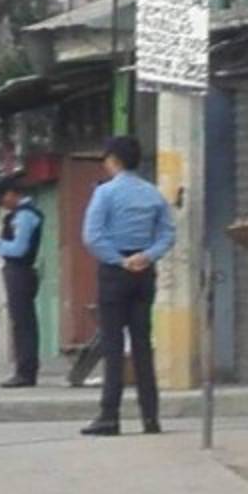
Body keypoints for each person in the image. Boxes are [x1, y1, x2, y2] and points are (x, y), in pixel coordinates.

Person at [79, 136, 176, 436]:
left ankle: (109, 416)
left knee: (113, 345)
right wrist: (147, 256)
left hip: (115, 272)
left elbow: (92, 236)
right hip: (144, 272)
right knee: (142, 344)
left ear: (114, 160)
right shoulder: (153, 194)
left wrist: (120, 261)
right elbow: (168, 234)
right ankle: (151, 417)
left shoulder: (105, 193)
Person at [0, 172, 44, 388]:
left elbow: (19, 249)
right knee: (21, 322)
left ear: (11, 194)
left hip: (21, 272)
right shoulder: (20, 214)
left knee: (23, 323)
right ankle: (25, 369)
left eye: (2, 197)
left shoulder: (25, 215)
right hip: (18, 272)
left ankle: (26, 371)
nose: (2, 203)